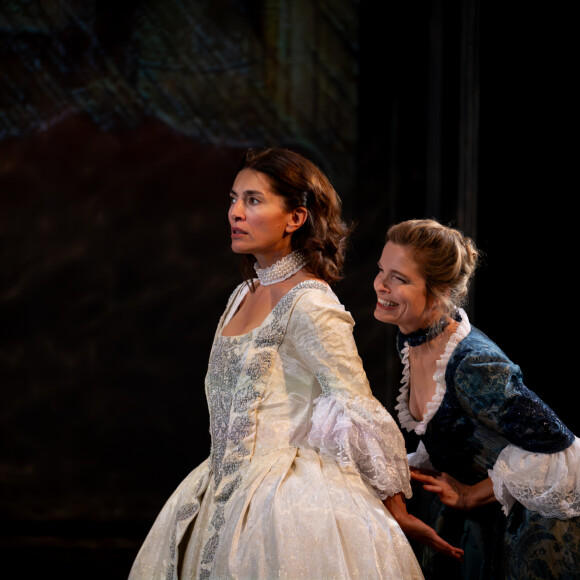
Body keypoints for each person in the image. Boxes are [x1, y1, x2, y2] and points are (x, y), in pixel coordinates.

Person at [129, 150, 462, 579]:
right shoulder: (241, 294)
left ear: (295, 218)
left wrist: (394, 506)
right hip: (219, 491)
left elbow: (354, 405)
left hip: (282, 507)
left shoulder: (310, 302)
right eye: (234, 199)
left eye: (253, 200)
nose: (235, 213)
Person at [373, 218, 580, 579]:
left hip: (521, 532)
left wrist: (471, 494)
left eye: (399, 279)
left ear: (438, 292)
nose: (380, 285)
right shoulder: (412, 338)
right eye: (381, 271)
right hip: (468, 525)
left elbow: (561, 447)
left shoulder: (473, 364)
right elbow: (456, 436)